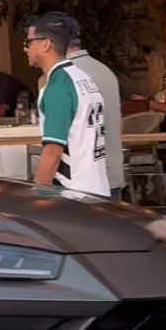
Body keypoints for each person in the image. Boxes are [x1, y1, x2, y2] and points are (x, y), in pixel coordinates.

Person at [23, 12, 110, 196]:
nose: (25, 48)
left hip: (73, 195)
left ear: (45, 44)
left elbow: (52, 153)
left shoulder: (58, 86)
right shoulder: (83, 78)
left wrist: (36, 197)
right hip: (97, 187)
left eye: (28, 42)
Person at [59, 14, 124, 199]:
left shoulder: (63, 76)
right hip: (111, 173)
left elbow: (57, 139)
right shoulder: (105, 70)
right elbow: (118, 123)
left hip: (81, 184)